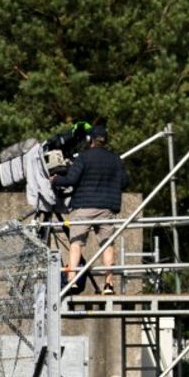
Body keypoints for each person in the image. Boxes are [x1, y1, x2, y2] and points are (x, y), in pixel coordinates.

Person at [50, 124, 128, 295]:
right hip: (107, 208)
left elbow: (71, 179)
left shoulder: (84, 158)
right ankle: (109, 284)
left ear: (90, 140)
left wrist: (55, 179)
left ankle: (72, 280)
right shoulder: (116, 159)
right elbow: (124, 183)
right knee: (107, 244)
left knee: (76, 243)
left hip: (84, 206)